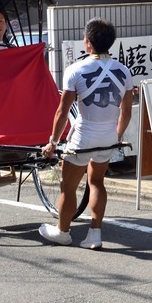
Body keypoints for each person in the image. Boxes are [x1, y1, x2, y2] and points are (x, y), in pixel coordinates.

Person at [39, 18, 134, 250]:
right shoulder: (124, 71)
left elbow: (62, 113)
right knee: (97, 182)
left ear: (88, 42)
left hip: (82, 137)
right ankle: (95, 233)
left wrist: (52, 142)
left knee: (68, 186)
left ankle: (62, 232)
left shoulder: (75, 70)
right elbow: (127, 112)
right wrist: (117, 136)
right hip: (108, 137)